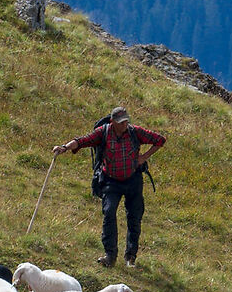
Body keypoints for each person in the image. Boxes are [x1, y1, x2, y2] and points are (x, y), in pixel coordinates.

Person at [53, 106, 165, 267]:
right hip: (111, 181)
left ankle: (130, 257)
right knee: (109, 212)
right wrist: (64, 147)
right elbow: (83, 140)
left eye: (126, 121)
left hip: (133, 180)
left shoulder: (135, 132)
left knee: (134, 217)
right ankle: (110, 255)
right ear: (112, 122)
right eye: (121, 122)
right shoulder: (103, 132)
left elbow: (160, 140)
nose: (124, 124)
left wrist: (144, 157)